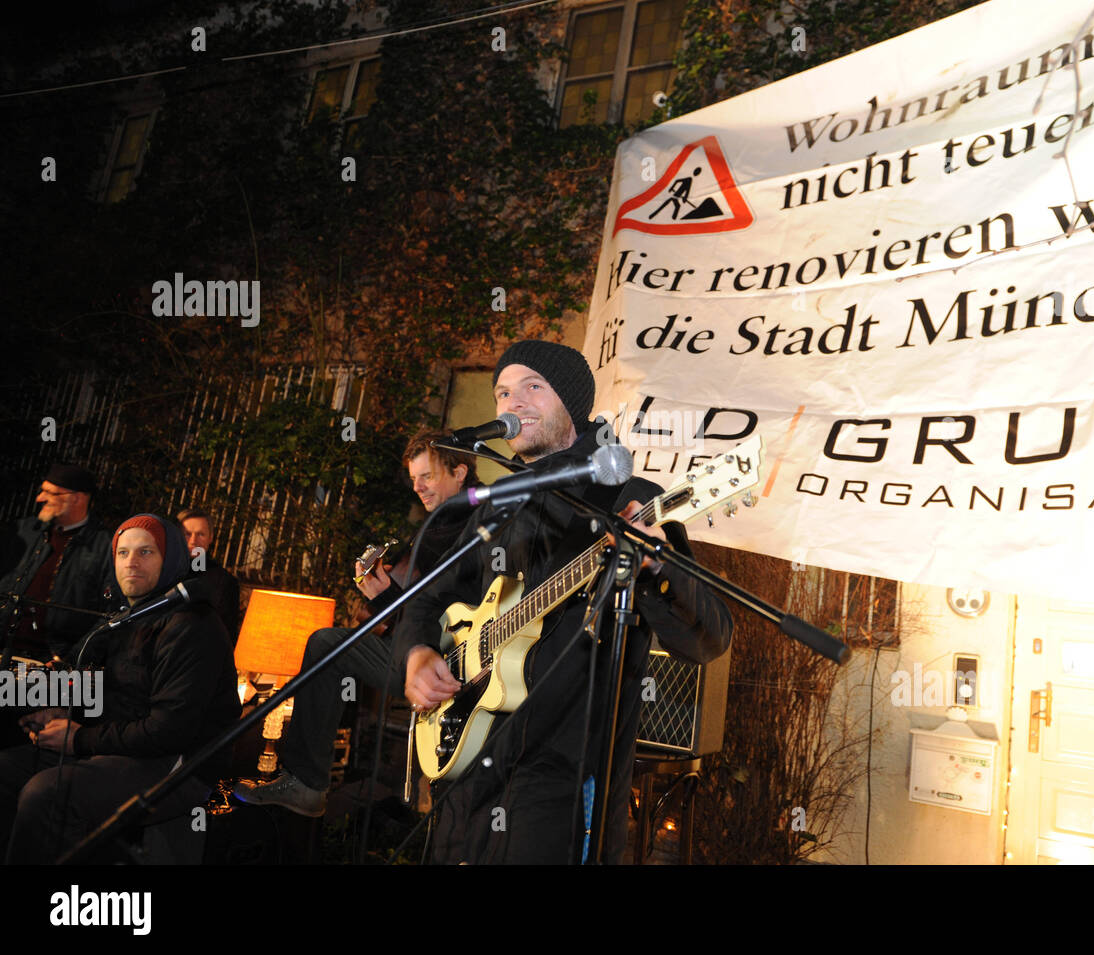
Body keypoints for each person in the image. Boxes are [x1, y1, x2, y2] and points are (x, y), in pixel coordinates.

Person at [400, 340, 732, 864]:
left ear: (572, 404)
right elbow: (431, 598)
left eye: (534, 386)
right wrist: (417, 652)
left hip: (561, 784)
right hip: (467, 772)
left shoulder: (629, 499)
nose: (514, 402)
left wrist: (660, 567)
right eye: (503, 392)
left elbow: (709, 635)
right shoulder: (495, 507)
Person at [234, 430, 475, 816]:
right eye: (413, 480)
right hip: (423, 652)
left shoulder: (485, 522)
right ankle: (306, 783)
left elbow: (453, 608)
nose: (418, 488)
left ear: (459, 471)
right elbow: (415, 613)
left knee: (328, 644)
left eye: (426, 477)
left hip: (464, 659)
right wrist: (379, 593)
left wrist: (392, 600)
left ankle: (307, 783)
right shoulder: (431, 528)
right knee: (327, 643)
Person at [0, 514, 238, 863]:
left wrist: (78, 738)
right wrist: (60, 709)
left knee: (49, 794)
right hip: (121, 747)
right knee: (6, 770)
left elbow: (169, 730)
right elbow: (108, 691)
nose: (131, 563)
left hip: (178, 765)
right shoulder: (124, 617)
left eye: (146, 552)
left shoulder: (192, 624)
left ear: (171, 558)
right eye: (122, 553)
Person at [0, 463, 112, 663]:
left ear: (76, 498)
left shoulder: (105, 548)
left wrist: (70, 658)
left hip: (50, 662)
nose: (39, 498)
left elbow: (109, 616)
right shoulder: (22, 532)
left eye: (50, 493)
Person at [176, 506, 242, 644]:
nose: (193, 540)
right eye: (187, 534)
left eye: (200, 534)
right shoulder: (159, 572)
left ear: (211, 537)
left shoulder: (225, 582)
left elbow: (226, 635)